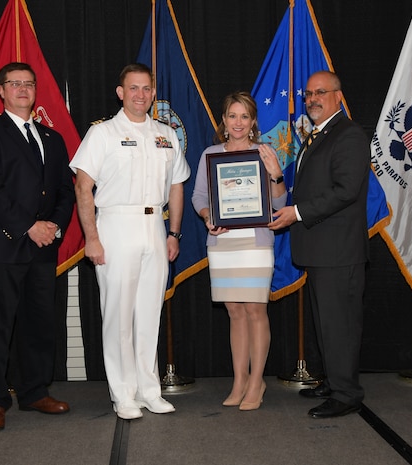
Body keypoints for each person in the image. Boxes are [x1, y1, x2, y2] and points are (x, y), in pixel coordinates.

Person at [69, 63, 190, 420]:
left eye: (146, 88)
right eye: (133, 88)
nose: (141, 95)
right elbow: (83, 187)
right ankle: (122, 394)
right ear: (120, 93)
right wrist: (92, 238)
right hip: (115, 226)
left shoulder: (166, 134)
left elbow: (177, 185)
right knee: (118, 315)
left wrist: (174, 233)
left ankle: (149, 390)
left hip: (155, 227)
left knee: (149, 314)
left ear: (154, 93)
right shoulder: (102, 134)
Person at [0, 62, 75, 431]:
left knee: (39, 324)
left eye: (29, 84)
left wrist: (54, 226)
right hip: (0, 247)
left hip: (42, 248)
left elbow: (65, 190)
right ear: (1, 90)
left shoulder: (52, 138)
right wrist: (28, 226)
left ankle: (33, 392)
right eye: (15, 84)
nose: (23, 89)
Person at [269, 70, 369, 418]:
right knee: (327, 322)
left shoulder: (349, 134)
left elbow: (346, 191)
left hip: (338, 250)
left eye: (321, 93)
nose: (312, 99)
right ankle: (333, 379)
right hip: (322, 249)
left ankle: (346, 394)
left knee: (339, 324)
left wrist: (296, 213)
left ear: (338, 96)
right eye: (309, 93)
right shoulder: (319, 134)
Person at [192, 91, 287, 411]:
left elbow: (278, 204)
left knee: (255, 311)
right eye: (232, 116)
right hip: (223, 243)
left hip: (256, 243)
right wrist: (208, 216)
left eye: (244, 116)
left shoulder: (265, 152)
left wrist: (275, 173)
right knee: (234, 311)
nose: (238, 122)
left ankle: (257, 381)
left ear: (253, 122)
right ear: (224, 120)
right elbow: (200, 198)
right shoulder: (211, 154)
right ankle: (239, 380)